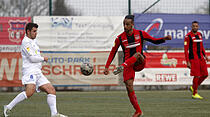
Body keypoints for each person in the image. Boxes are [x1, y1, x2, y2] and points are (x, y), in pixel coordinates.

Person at [103, 15, 172, 117]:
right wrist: (106, 66)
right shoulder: (120, 38)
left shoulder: (140, 33)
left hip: (139, 62)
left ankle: (122, 66)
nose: (125, 26)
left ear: (132, 25)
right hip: (128, 65)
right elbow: (113, 52)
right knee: (129, 86)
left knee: (138, 54)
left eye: (127, 24)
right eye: (124, 24)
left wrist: (164, 39)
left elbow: (154, 41)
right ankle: (138, 111)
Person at [3, 23, 68, 117]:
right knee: (29, 92)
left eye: (36, 31)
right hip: (30, 71)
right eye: (34, 31)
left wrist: (41, 61)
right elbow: (32, 59)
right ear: (28, 31)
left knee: (51, 90)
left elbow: (36, 56)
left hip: (37, 71)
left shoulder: (34, 41)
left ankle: (54, 114)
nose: (36, 33)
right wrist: (43, 59)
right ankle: (8, 107)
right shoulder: (26, 42)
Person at [184, 21, 208, 99]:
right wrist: (187, 61)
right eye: (194, 26)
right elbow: (186, 50)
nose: (195, 27)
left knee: (205, 74)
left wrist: (205, 55)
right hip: (193, 58)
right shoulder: (188, 36)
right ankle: (195, 93)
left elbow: (202, 46)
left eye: (196, 26)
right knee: (197, 75)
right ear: (191, 27)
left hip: (201, 57)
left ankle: (194, 87)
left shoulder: (200, 34)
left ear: (198, 27)